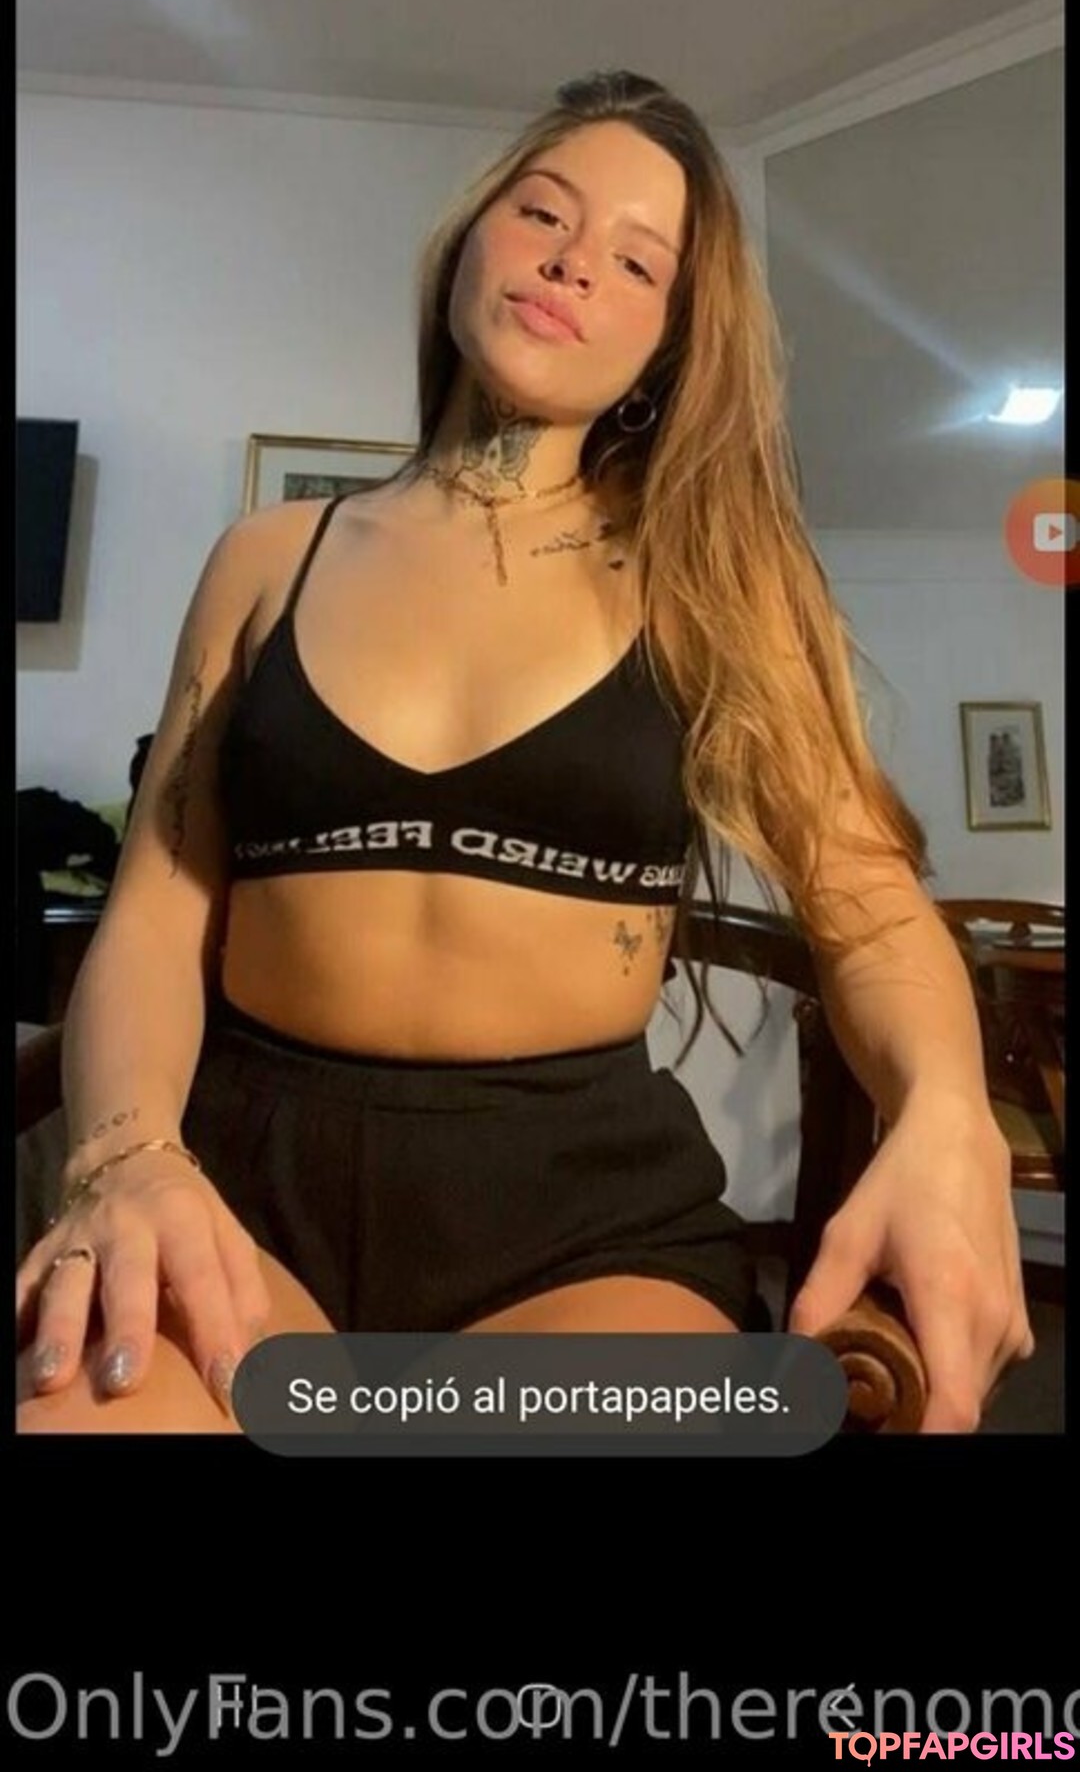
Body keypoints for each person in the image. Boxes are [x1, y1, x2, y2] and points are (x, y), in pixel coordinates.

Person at [16, 69, 1032, 1435]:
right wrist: (125, 1157)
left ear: (669, 345)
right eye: (543, 211)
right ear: (467, 243)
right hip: (241, 1183)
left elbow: (867, 900)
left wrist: (950, 1112)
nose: (573, 260)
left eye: (638, 261)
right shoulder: (265, 560)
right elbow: (153, 913)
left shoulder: (712, 583)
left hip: (578, 1222)